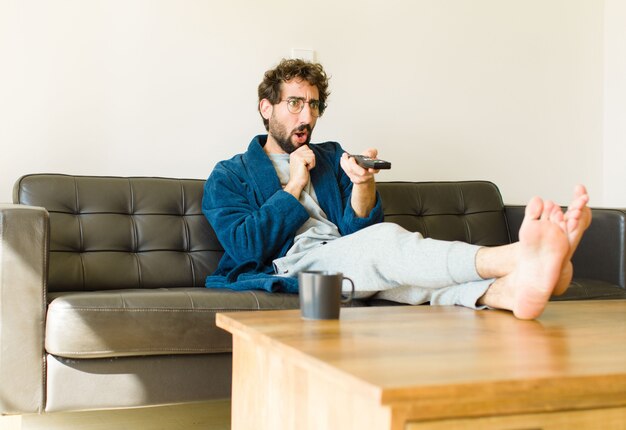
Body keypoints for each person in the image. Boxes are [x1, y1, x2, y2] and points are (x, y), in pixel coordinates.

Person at [201, 58, 592, 320]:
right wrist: (295, 183)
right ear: (266, 108)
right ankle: (516, 258)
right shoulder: (229, 174)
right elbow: (246, 246)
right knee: (387, 244)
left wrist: (362, 185)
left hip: (346, 257)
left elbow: (358, 234)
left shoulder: (332, 155)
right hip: (292, 265)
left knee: (393, 270)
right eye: (295, 104)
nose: (307, 116)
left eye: (315, 105)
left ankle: (508, 293)